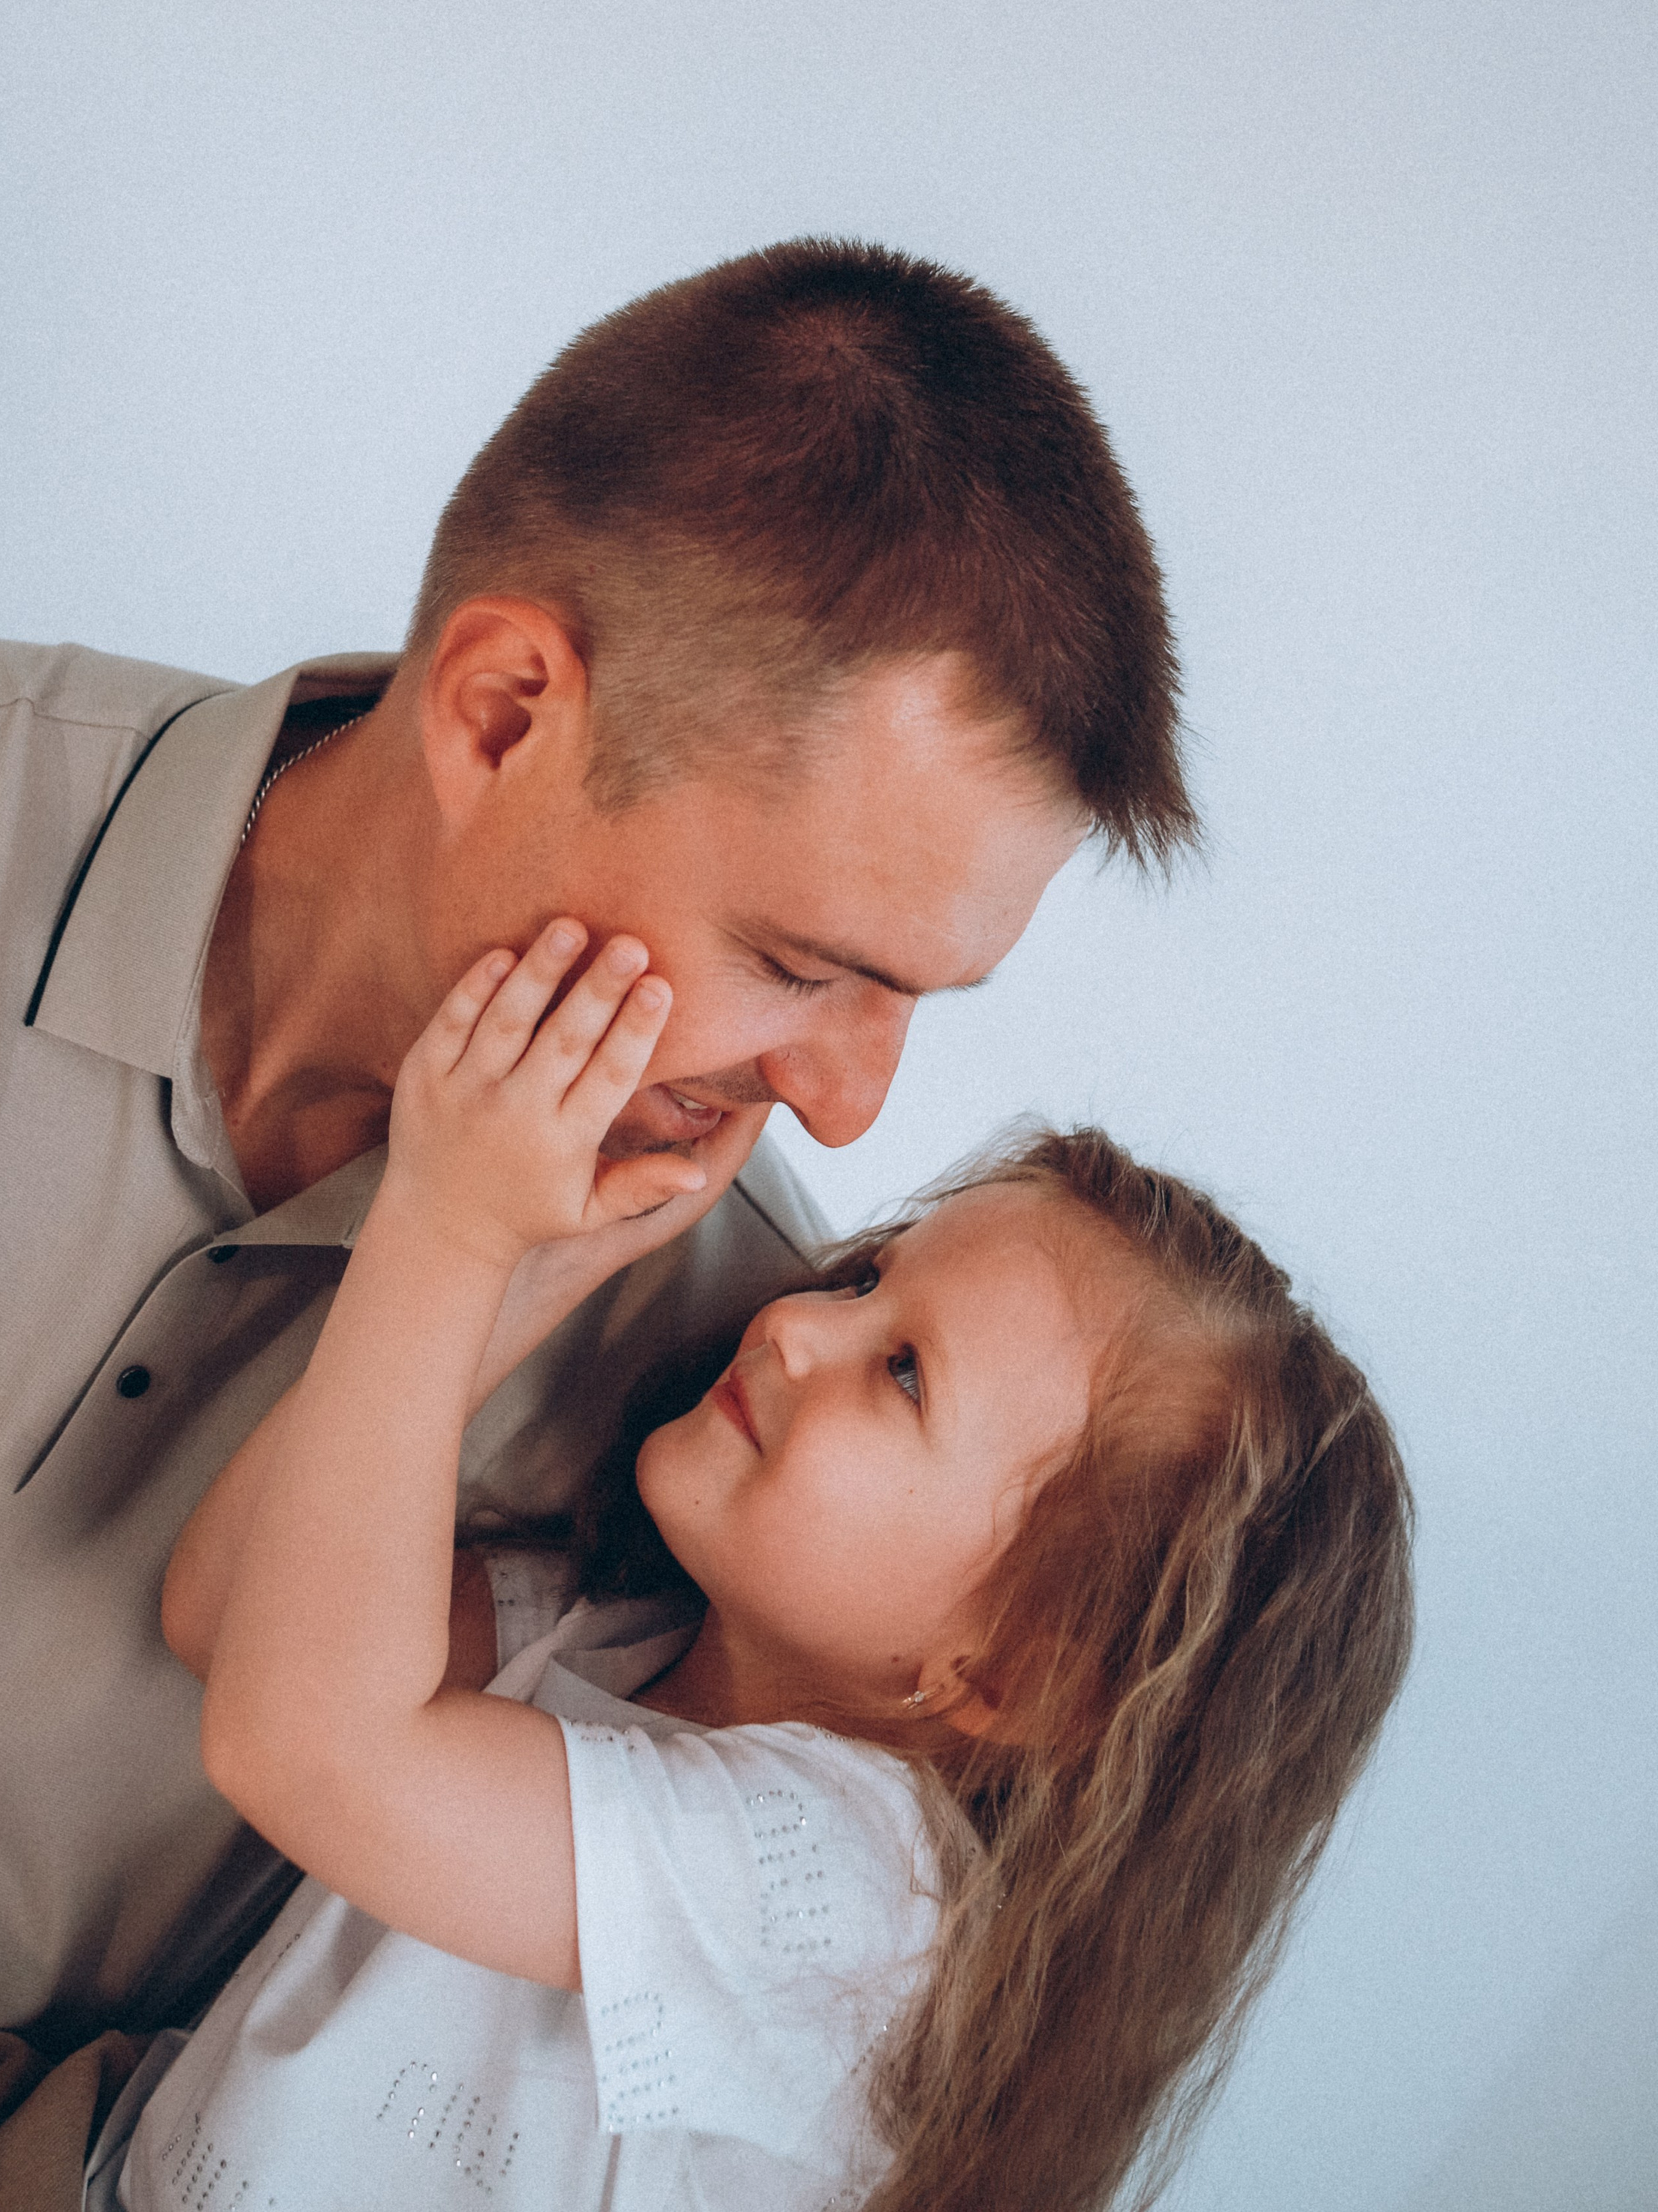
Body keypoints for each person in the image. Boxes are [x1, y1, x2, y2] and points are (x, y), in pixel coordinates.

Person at [0, 240, 1197, 2193]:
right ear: (505, 710)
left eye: (920, 996)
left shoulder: (728, 1381)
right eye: (797, 958)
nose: (851, 1106)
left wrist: (500, 1247)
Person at [86, 922, 1412, 2212]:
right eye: (865, 1284)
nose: (790, 1325)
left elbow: (303, 1747)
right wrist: (555, 1265)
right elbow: (230, 1618)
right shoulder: (632, 1634)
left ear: (1012, 1676)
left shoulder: (853, 1902)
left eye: (901, 1374)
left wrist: (450, 1221)